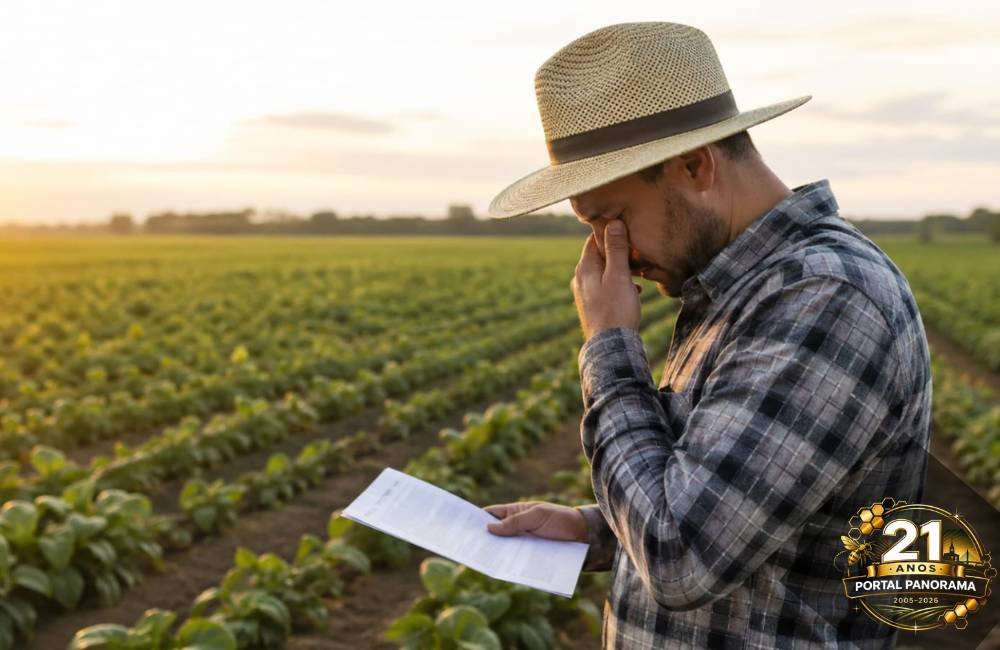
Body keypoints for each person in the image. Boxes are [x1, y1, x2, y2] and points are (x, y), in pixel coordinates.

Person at [482, 22, 932, 649]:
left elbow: (682, 557)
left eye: (611, 220)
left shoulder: (823, 297)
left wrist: (609, 346)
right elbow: (739, 505)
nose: (611, 252)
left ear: (695, 165)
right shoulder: (738, 290)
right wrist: (594, 530)